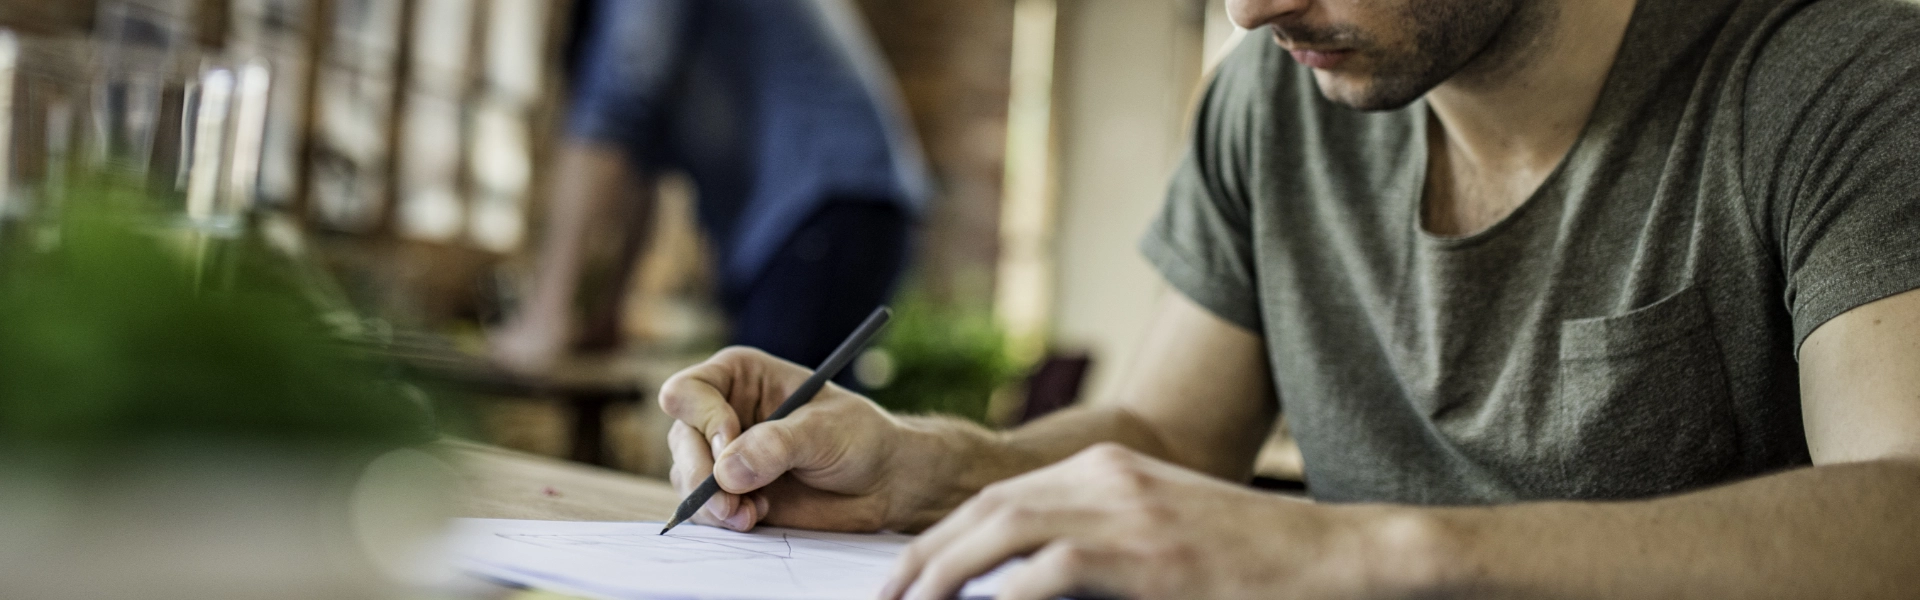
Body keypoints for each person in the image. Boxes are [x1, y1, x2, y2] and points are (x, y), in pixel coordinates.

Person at [659, 0, 1920, 597]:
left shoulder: (1838, 77)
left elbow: (1903, 512)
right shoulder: (1276, 101)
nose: (1251, 6)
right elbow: (1162, 435)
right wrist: (932, 469)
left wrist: (1372, 550)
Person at [491, 0, 928, 375]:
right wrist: (610, 313)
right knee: (794, 445)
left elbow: (612, 117)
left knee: (766, 441)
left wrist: (546, 318)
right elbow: (642, 163)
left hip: (825, 205)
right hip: (848, 204)